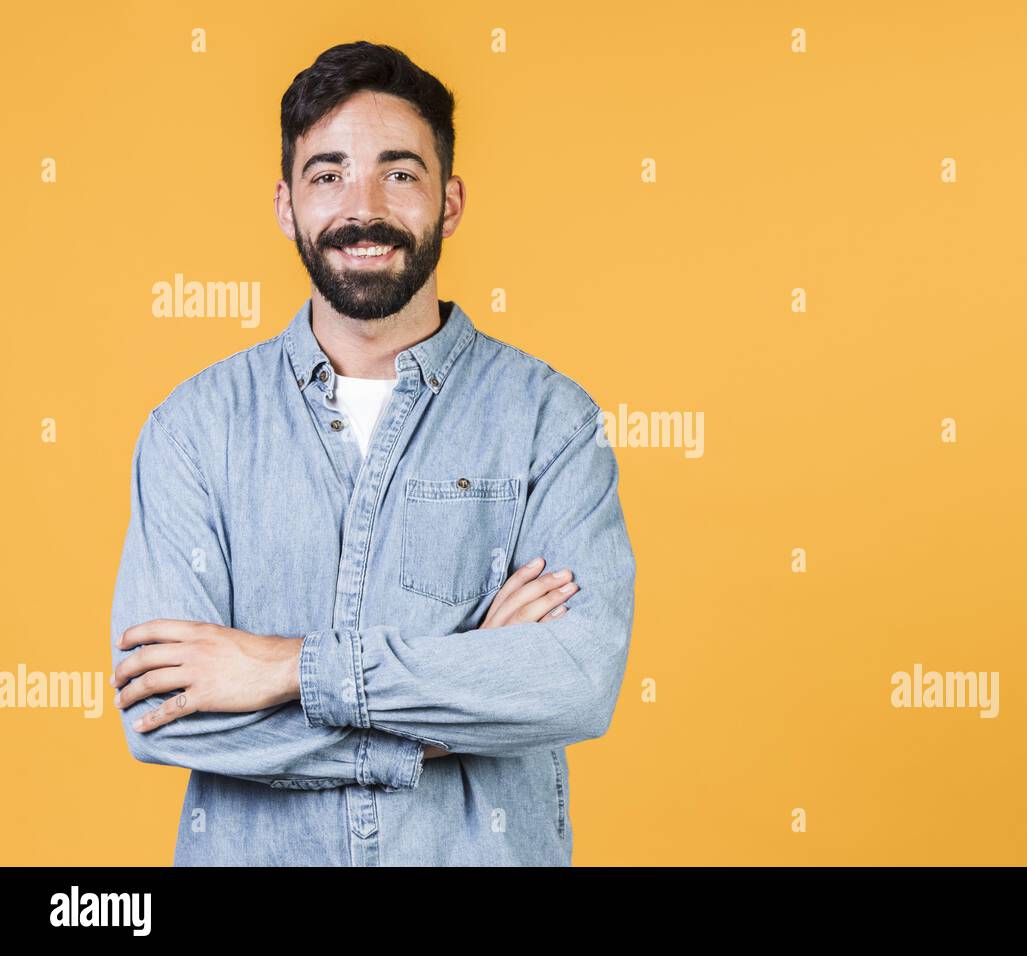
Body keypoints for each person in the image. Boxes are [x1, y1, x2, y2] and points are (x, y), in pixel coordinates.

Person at [107, 40, 636, 866]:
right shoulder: (193, 429)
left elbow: (571, 683)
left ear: (449, 200)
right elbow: (163, 711)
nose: (363, 208)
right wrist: (449, 709)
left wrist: (285, 669)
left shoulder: (549, 422)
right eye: (328, 175)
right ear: (286, 205)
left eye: (399, 173)